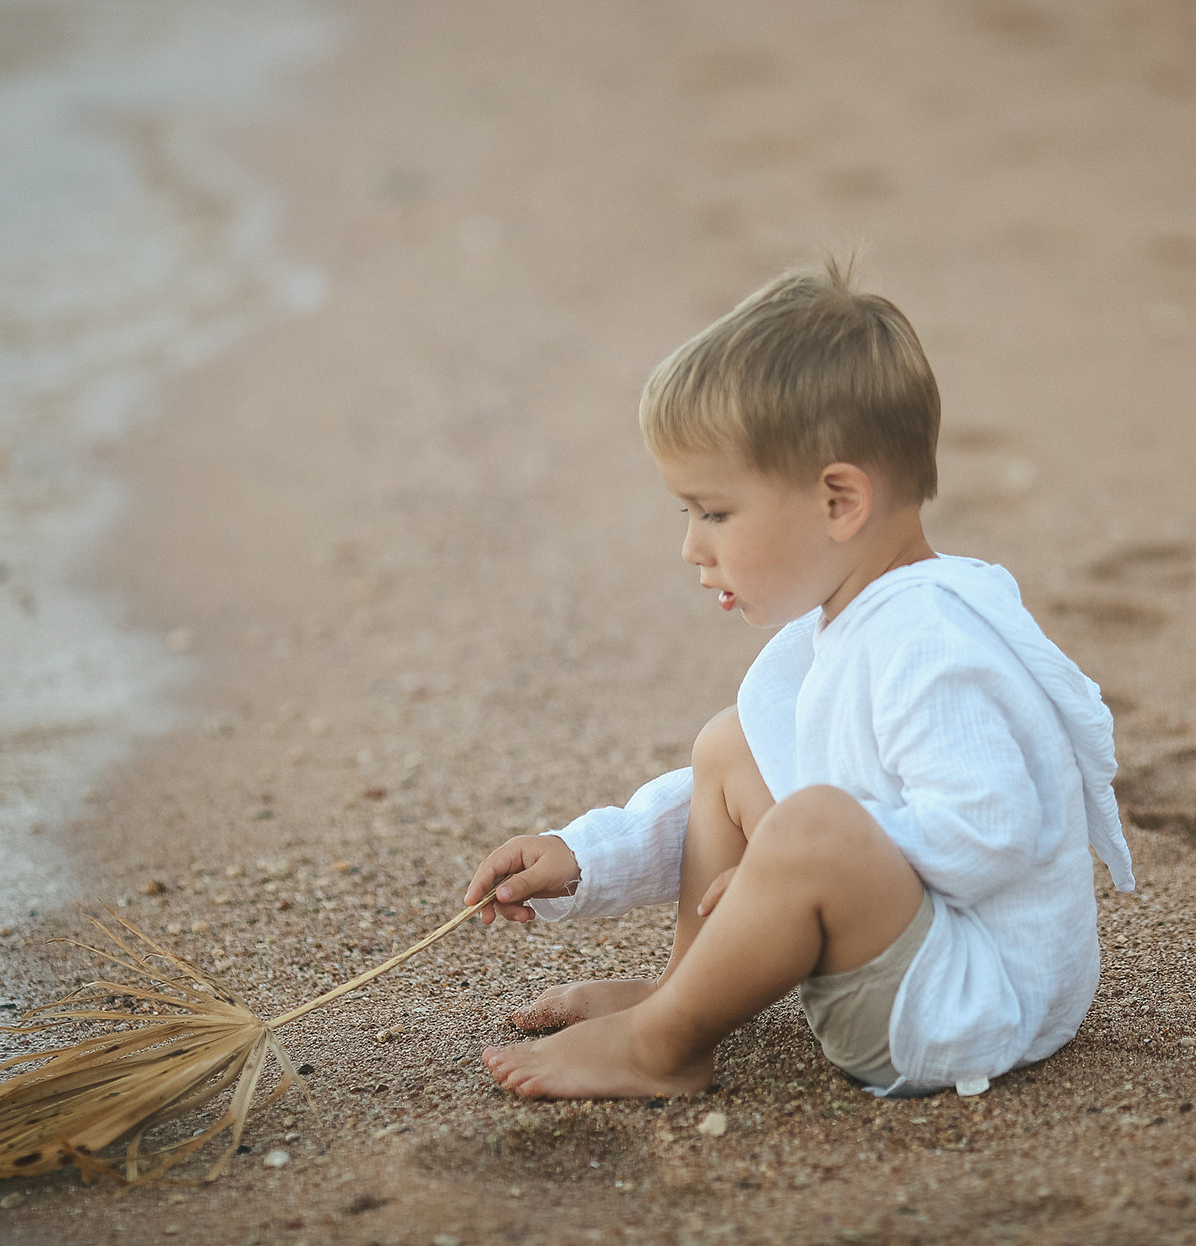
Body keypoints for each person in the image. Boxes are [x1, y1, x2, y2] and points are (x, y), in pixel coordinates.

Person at [464, 260, 1134, 1101]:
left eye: (714, 512)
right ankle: (686, 994)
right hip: (909, 946)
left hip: (964, 1004)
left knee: (813, 822)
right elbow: (770, 773)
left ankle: (663, 1043)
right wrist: (582, 858)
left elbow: (988, 828)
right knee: (730, 741)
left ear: (838, 502)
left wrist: (787, 862)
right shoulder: (847, 617)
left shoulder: (928, 644)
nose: (691, 548)